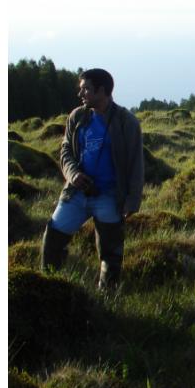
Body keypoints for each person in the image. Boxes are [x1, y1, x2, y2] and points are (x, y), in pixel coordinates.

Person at [41, 68, 144, 291]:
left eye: (86, 89)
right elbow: (66, 150)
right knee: (53, 239)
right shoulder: (77, 117)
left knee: (110, 254)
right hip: (76, 194)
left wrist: (132, 200)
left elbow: (136, 164)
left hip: (109, 196)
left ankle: (106, 298)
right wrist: (73, 174)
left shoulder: (127, 122)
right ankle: (48, 289)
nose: (82, 94)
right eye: (81, 89)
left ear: (102, 91)